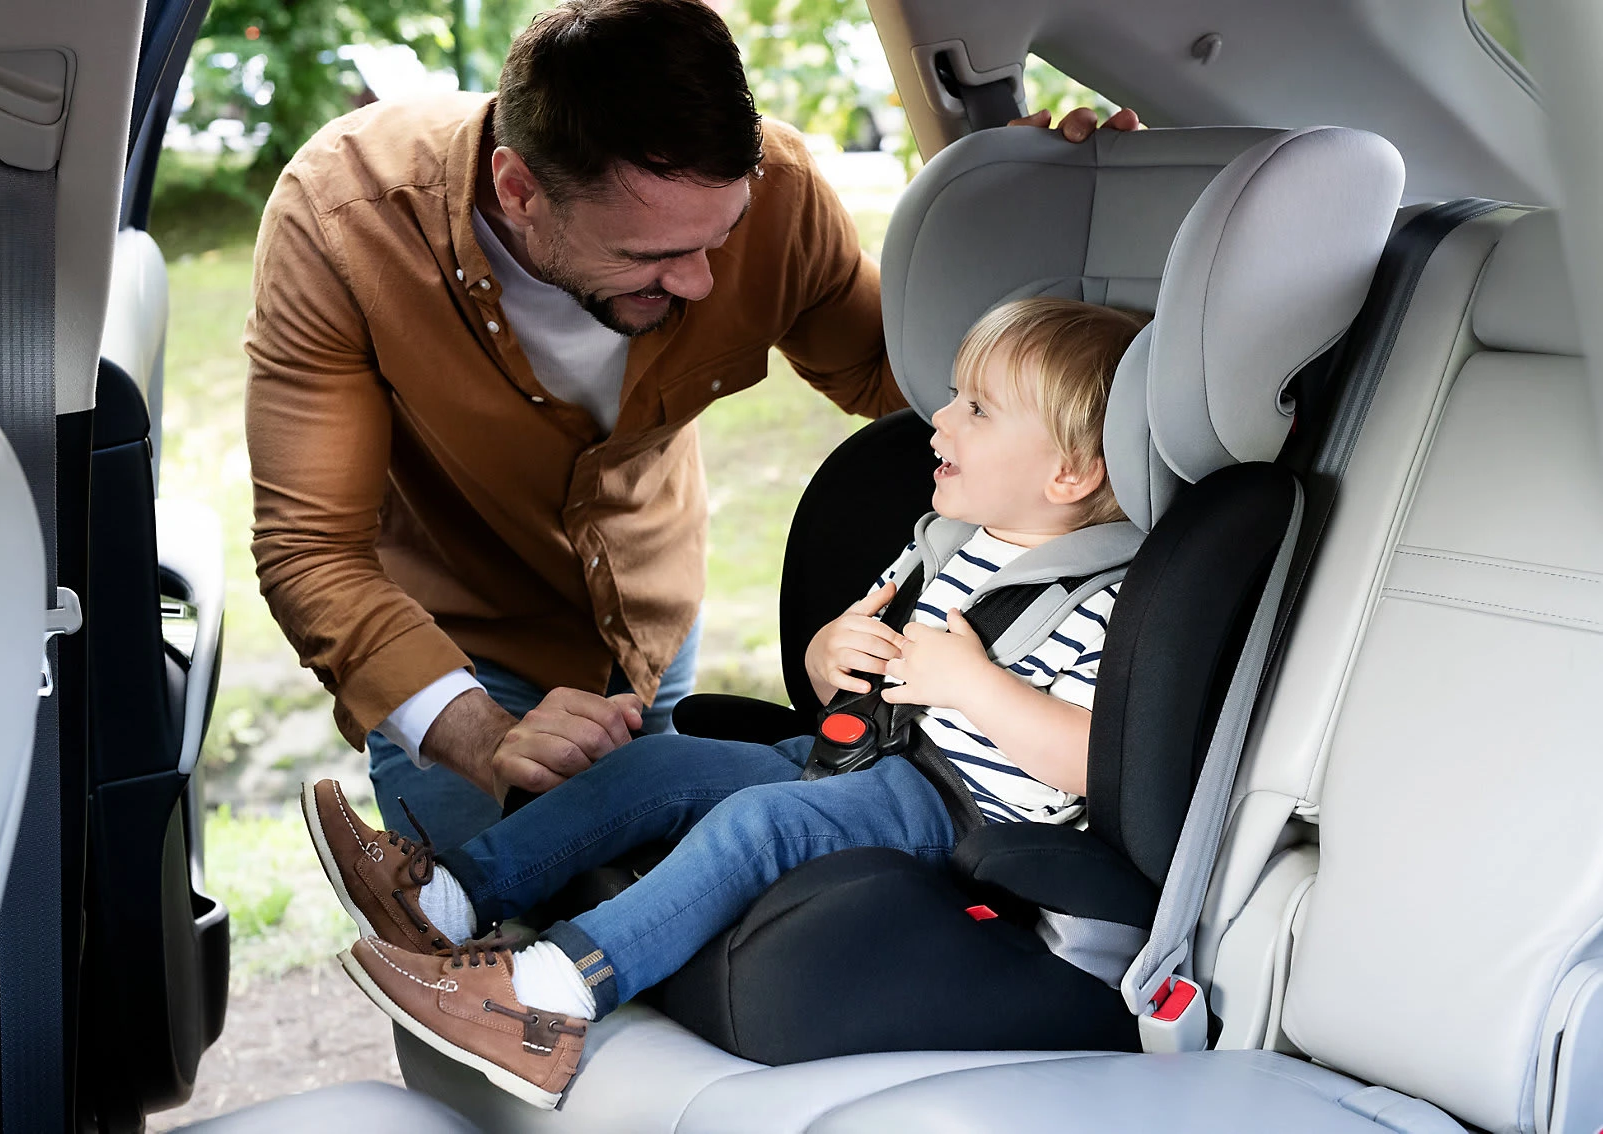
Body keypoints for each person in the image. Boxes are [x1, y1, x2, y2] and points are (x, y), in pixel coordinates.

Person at [244, 0, 1141, 850]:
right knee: (472, 929)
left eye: (720, 237)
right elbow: (311, 548)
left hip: (648, 619)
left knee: (643, 912)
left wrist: (1057, 236)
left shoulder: (778, 195)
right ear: (518, 191)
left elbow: (900, 378)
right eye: (653, 255)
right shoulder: (344, 221)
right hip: (454, 646)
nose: (703, 282)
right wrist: (481, 734)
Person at [301, 297, 1150, 1107]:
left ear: (1069, 473)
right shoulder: (951, 542)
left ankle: (546, 1000)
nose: (941, 418)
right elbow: (845, 680)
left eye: (978, 410)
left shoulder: (1104, 602)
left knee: (762, 824)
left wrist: (976, 686)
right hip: (860, 757)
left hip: (956, 811)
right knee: (655, 763)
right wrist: (830, 655)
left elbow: (1092, 763)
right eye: (956, 397)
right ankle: (445, 898)